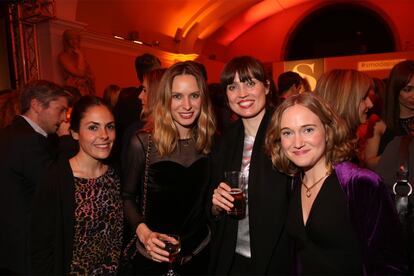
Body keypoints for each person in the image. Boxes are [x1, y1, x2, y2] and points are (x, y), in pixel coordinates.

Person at [265, 92, 407, 275]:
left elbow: (391, 264)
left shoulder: (360, 184)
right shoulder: (292, 183)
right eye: (287, 133)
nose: (297, 142)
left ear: (328, 130)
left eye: (308, 130)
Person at [122, 61, 215, 274]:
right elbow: (127, 196)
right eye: (177, 96)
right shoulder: (143, 143)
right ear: (166, 99)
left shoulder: (209, 142)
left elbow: (206, 202)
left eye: (194, 95)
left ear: (203, 99)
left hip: (200, 256)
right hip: (155, 258)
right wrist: (143, 232)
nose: (187, 105)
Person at [209, 56, 290, 275]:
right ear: (226, 95)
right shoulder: (224, 142)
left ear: (266, 86)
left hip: (278, 260)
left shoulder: (287, 134)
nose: (242, 93)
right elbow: (213, 212)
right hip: (234, 259)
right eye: (233, 86)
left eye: (250, 83)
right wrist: (216, 205)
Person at [31, 96, 123, 275]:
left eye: (109, 126)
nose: (104, 135)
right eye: (93, 127)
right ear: (74, 133)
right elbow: (40, 249)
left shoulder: (115, 174)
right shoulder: (55, 180)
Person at [0, 80, 70, 274]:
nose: (64, 118)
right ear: (37, 105)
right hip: (26, 247)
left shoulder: (10, 133)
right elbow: (56, 186)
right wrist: (66, 140)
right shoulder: (30, 140)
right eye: (61, 110)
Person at [365, 60, 414, 169]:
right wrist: (399, 152)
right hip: (394, 184)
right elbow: (369, 163)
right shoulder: (379, 123)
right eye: (407, 90)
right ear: (395, 90)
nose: (413, 95)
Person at [59, 29, 95, 96]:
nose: (75, 41)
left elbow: (88, 73)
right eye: (71, 39)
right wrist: (80, 55)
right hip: (74, 89)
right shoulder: (63, 56)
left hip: (85, 88)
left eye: (76, 39)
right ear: (66, 41)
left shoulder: (78, 55)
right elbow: (80, 73)